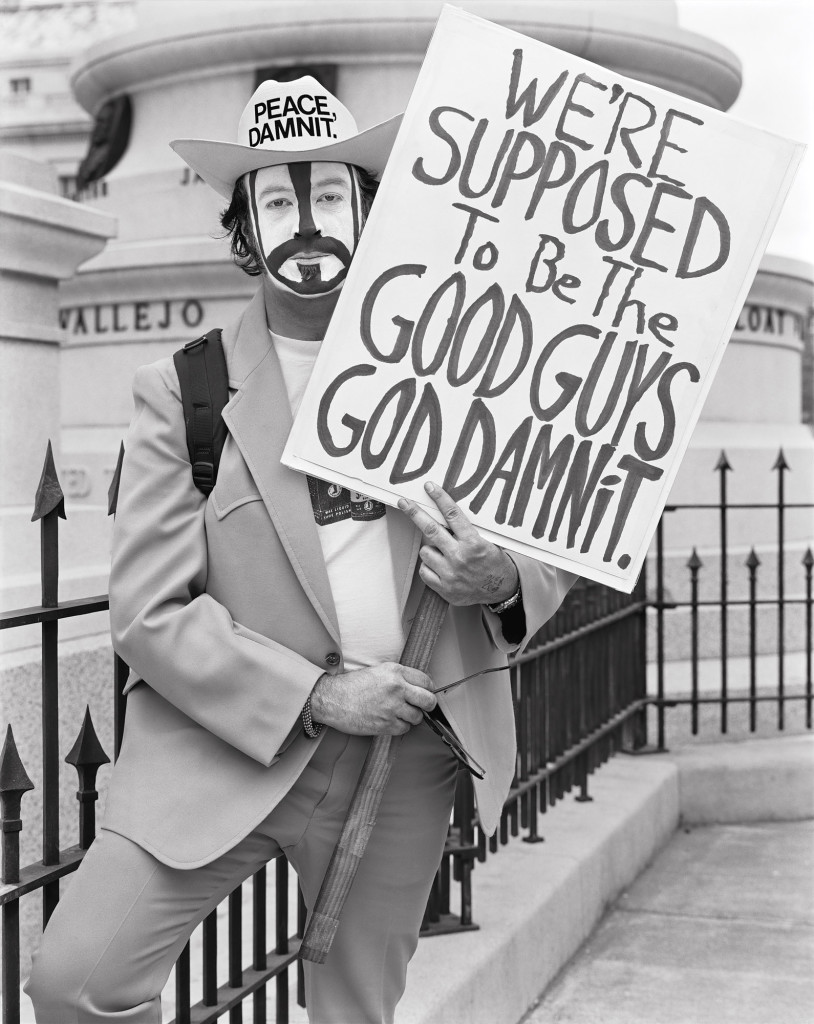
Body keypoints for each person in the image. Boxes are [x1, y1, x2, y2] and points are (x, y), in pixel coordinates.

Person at [26, 76, 575, 1023]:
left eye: (328, 194)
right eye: (279, 199)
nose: (307, 220)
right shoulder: (183, 391)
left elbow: (547, 546)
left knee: (355, 1013)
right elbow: (149, 614)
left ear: (366, 210)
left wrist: (501, 577)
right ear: (246, 229)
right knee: (75, 980)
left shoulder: (463, 368)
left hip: (403, 753)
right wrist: (319, 695)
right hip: (220, 746)